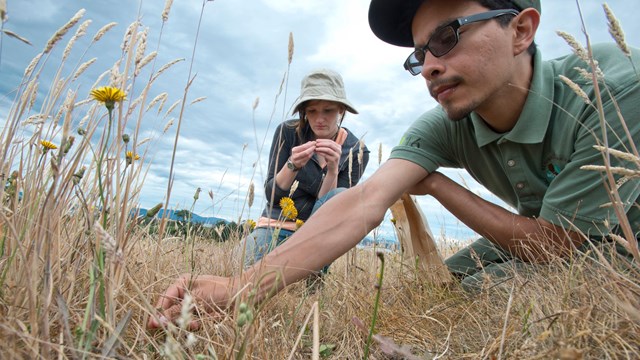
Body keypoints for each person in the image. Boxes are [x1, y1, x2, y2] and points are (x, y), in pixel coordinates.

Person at [148, 0, 639, 329]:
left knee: (528, 293)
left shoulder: (613, 90)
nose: (427, 66)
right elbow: (363, 200)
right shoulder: (445, 122)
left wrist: (439, 184)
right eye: (419, 54)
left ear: (521, 29)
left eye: (447, 37)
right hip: (556, 240)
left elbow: (553, 245)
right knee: (454, 289)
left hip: (618, 249)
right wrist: (240, 288)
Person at [238, 68, 369, 268]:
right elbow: (272, 195)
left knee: (340, 194)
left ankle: (311, 269)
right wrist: (292, 165)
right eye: (312, 111)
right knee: (242, 268)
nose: (319, 119)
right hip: (276, 225)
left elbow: (332, 209)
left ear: (341, 109)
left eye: (328, 110)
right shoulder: (287, 132)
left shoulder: (356, 151)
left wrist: (333, 170)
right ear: (303, 111)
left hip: (317, 235)